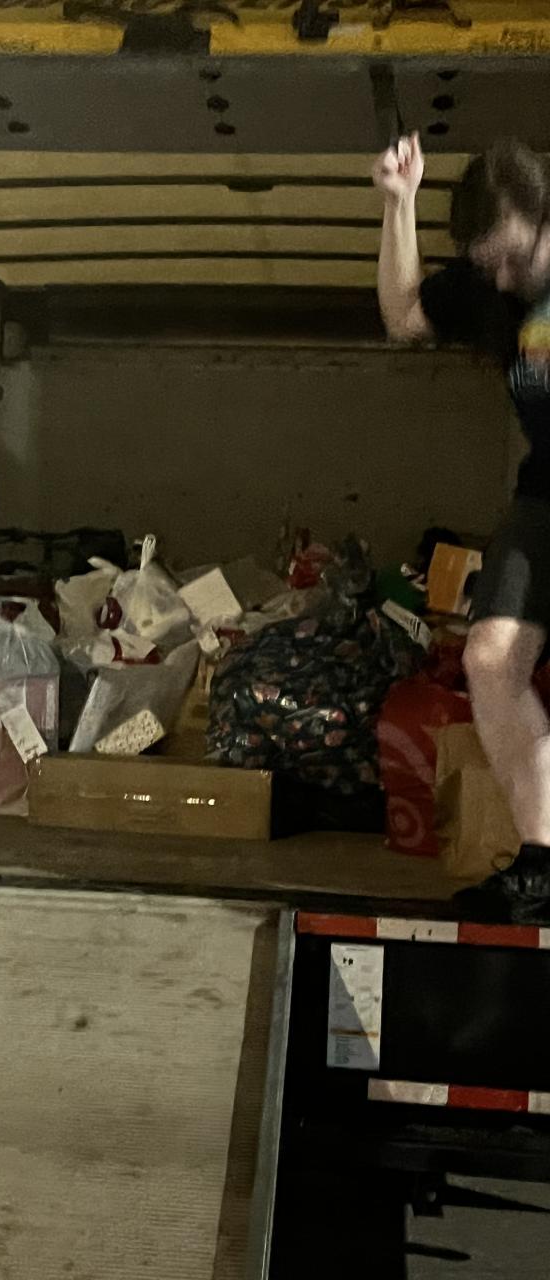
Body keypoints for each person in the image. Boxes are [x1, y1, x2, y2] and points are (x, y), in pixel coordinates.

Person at [374, 133, 550, 922]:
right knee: (490, 659)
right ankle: (542, 863)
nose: (505, 280)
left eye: (515, 259)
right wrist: (400, 203)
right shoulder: (488, 286)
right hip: (546, 494)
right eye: (490, 266)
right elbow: (404, 314)